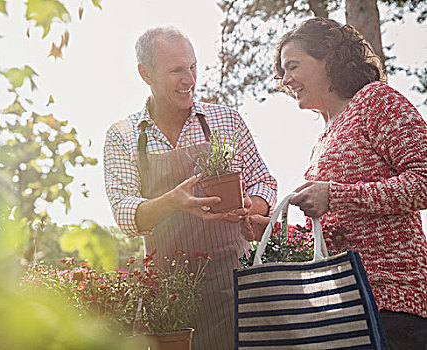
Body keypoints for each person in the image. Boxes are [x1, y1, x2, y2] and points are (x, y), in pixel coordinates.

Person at [103, 26, 277, 349]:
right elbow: (125, 214)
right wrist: (172, 202)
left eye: (193, 67)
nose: (190, 80)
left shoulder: (226, 121)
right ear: (145, 74)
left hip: (233, 289)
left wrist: (249, 206)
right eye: (177, 70)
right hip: (169, 298)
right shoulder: (124, 136)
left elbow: (264, 182)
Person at [274, 17, 427, 349]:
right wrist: (267, 230)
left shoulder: (375, 100)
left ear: (328, 56)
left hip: (392, 305)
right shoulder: (324, 137)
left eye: (293, 66)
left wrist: (335, 195)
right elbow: (333, 228)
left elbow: (424, 180)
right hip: (345, 306)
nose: (285, 80)